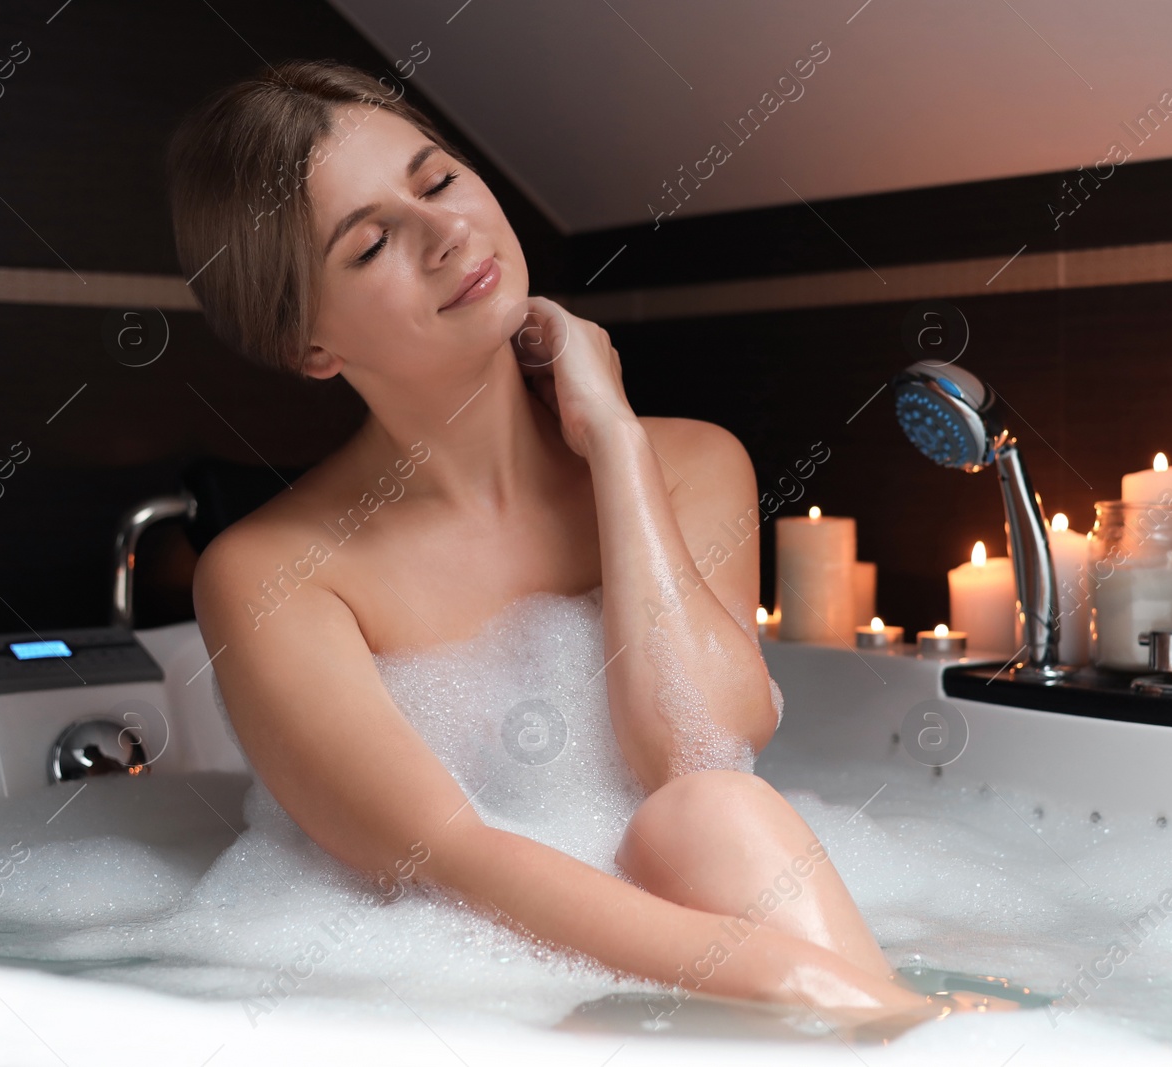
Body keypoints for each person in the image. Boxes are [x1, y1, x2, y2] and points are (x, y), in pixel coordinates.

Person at [166, 59, 1002, 1034]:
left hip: (703, 936)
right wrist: (840, 991)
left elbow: (702, 746)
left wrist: (612, 441)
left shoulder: (685, 462)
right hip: (470, 994)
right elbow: (458, 863)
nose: (447, 234)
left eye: (436, 181)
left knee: (710, 813)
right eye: (372, 243)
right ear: (308, 343)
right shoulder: (273, 574)